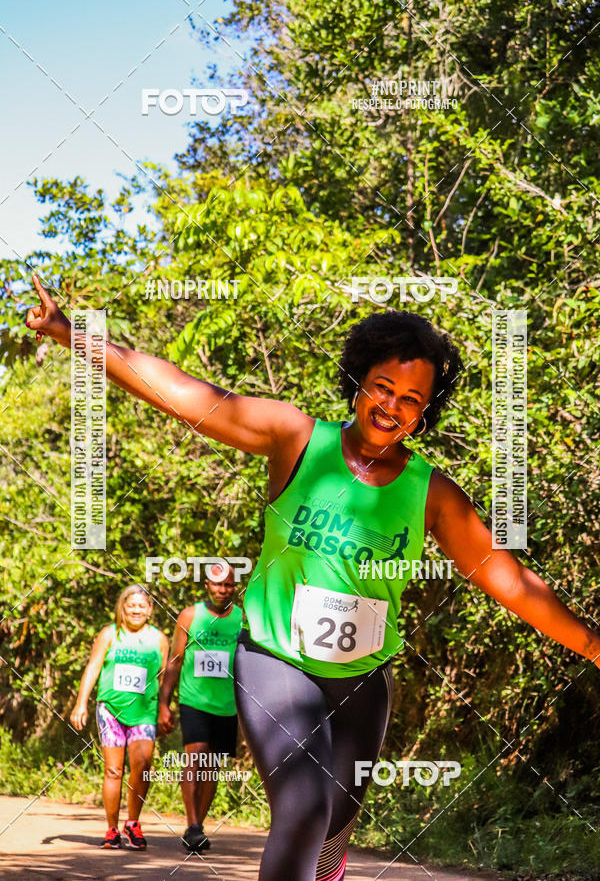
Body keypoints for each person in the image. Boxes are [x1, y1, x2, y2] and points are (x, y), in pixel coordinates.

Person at [29, 277, 600, 880]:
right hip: (275, 659)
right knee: (303, 806)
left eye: (412, 399)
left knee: (332, 826)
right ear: (358, 381)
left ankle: (329, 864)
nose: (392, 406)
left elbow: (510, 580)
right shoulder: (297, 439)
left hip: (362, 680)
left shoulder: (431, 493)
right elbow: (183, 393)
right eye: (383, 387)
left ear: (425, 412)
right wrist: (71, 333)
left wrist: (592, 645)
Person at [70, 584, 169, 849]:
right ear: (122, 607)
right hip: (111, 710)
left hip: (144, 712)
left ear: (150, 609)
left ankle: (133, 823)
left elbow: (164, 678)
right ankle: (112, 829)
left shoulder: (159, 639)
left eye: (141, 606)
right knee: (113, 770)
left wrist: (164, 708)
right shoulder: (109, 634)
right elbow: (93, 667)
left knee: (142, 766)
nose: (136, 610)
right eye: (131, 605)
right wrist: (81, 703)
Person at [158, 561, 242, 853]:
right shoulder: (190, 615)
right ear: (207, 585)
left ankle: (197, 827)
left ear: (234, 587)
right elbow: (176, 661)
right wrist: (164, 703)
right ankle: (193, 825)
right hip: (194, 700)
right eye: (217, 584)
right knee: (195, 758)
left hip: (227, 704)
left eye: (228, 585)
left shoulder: (242, 619)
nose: (222, 590)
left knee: (212, 766)